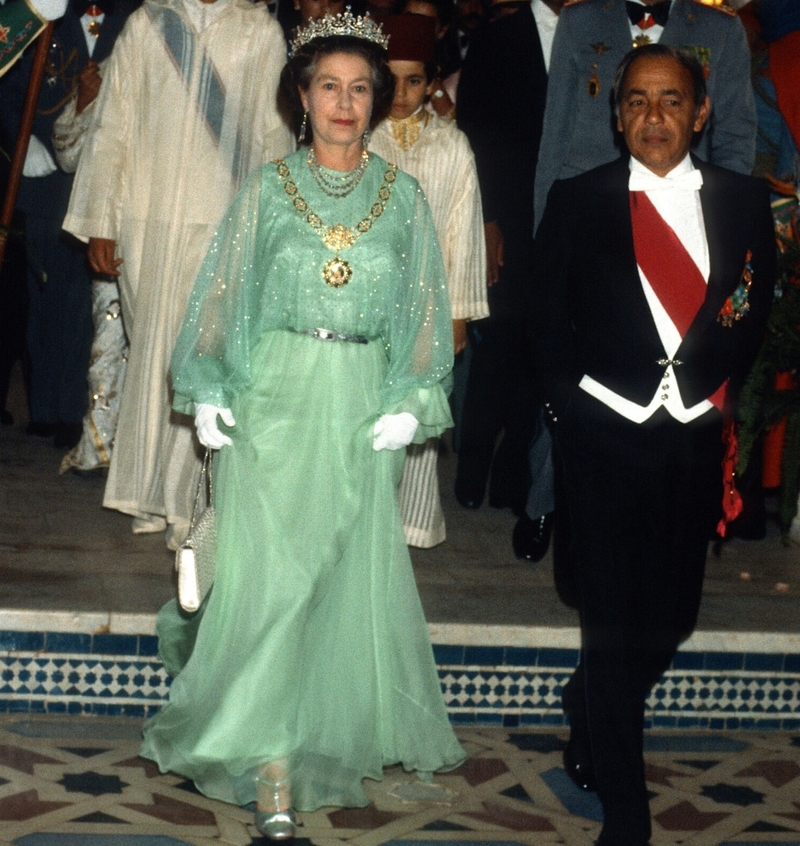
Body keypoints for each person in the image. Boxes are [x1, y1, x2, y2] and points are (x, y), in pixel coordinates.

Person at [139, 9, 466, 837]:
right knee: (272, 582)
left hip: (360, 409)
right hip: (273, 401)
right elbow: (221, 298)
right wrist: (209, 388)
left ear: (380, 100)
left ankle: (311, 733)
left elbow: (426, 315)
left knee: (329, 583)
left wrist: (413, 400)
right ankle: (271, 760)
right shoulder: (264, 191)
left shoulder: (404, 199)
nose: (345, 103)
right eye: (330, 86)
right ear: (303, 95)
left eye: (362, 88)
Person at [532, 45, 775, 845]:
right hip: (603, 435)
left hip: (693, 438)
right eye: (636, 101)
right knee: (609, 622)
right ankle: (627, 816)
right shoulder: (579, 199)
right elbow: (545, 319)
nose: (653, 117)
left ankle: (587, 702)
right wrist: (569, 406)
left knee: (670, 616)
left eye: (671, 101)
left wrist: (710, 386)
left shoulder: (741, 201)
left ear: (701, 113)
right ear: (616, 113)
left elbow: (751, 310)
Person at [62, 0, 293, 549]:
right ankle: (147, 492)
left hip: (223, 218)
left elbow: (274, 134)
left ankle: (190, 503)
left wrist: (268, 224)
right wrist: (101, 221)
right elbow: (113, 124)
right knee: (155, 355)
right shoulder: (148, 24)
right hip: (147, 218)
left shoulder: (259, 30)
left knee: (203, 359)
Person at [369, 12, 487, 547]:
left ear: (433, 81)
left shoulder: (451, 147)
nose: (401, 92)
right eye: (389, 79)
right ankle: (360, 519)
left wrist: (458, 311)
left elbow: (464, 235)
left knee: (414, 412)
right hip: (366, 302)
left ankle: (410, 523)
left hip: (427, 302)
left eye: (414, 80)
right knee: (366, 408)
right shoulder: (360, 141)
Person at [1, 0, 132, 449]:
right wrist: (24, 143)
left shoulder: (135, 24)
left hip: (107, 183)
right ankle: (45, 406)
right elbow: (8, 88)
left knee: (88, 306)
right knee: (46, 298)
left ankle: (78, 412)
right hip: (47, 183)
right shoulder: (43, 21)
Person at [453, 0, 556, 525]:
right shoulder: (501, 36)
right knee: (499, 344)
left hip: (564, 220)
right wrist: (488, 218)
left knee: (546, 347)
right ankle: (471, 466)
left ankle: (513, 470)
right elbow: (473, 130)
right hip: (507, 220)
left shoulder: (595, 34)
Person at [534, 0, 757, 233]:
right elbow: (554, 134)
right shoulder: (580, 18)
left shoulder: (719, 26)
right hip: (591, 204)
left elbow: (735, 137)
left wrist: (723, 215)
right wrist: (544, 225)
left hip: (682, 205)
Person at [51, 57, 129, 475]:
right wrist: (85, 102)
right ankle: (98, 446)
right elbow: (67, 153)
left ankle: (141, 454)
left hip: (176, 229)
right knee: (109, 340)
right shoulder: (117, 64)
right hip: (115, 227)